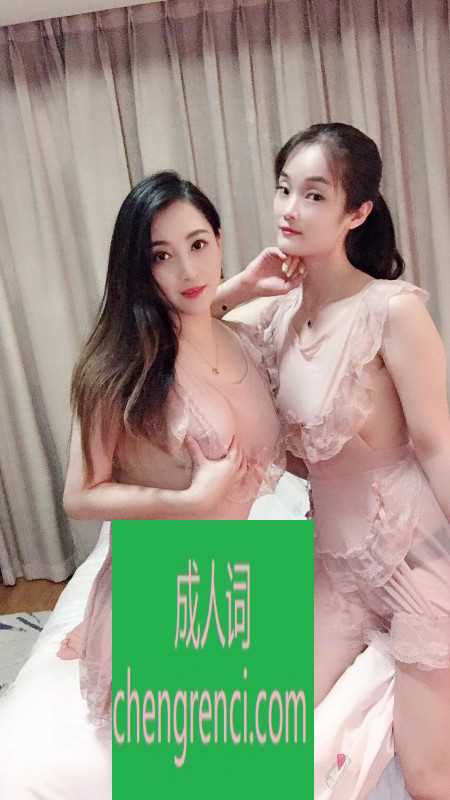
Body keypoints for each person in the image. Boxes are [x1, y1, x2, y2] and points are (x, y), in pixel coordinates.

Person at [215, 123, 450, 800]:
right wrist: (241, 285)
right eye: (284, 189)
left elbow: (437, 443)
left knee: (427, 776)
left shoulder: (392, 311)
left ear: (358, 211)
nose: (290, 209)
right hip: (332, 568)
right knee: (248, 730)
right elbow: (172, 338)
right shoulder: (273, 315)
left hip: (413, 559)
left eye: (315, 195)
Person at [57, 171, 301, 727]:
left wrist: (237, 288)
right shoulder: (118, 366)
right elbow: (79, 495)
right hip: (161, 584)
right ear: (138, 269)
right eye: (161, 256)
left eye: (198, 245)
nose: (188, 270)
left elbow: (197, 316)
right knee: (209, 754)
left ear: (219, 240)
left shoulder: (241, 336)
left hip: (232, 578)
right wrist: (188, 500)